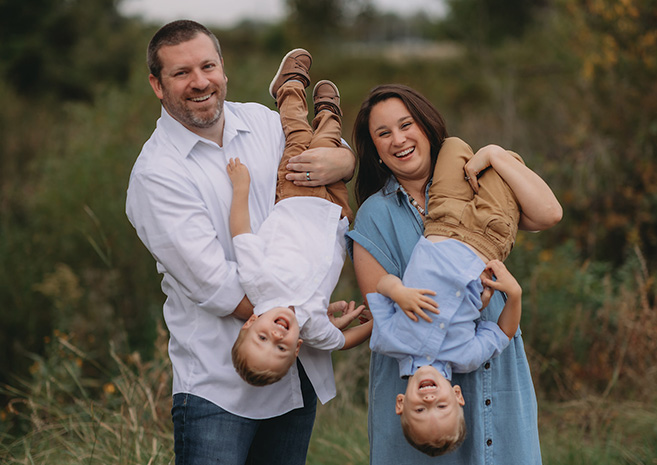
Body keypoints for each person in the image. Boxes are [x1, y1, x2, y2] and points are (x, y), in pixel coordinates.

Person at [125, 20, 357, 465]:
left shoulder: (262, 121)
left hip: (294, 375)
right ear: (157, 84)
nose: (200, 82)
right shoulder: (157, 175)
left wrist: (344, 161)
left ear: (223, 69)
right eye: (181, 73)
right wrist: (301, 316)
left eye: (208, 66)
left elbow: (322, 159)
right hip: (217, 391)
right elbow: (220, 288)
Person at [347, 84, 563, 464]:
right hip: (419, 398)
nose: (398, 139)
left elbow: (548, 214)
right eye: (383, 134)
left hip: (497, 372)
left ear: (426, 128)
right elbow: (379, 300)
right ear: (376, 150)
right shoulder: (374, 215)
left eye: (406, 125)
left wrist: (495, 155)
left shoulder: (470, 178)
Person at [366, 136, 527, 456]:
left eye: (421, 410)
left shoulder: (388, 340)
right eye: (442, 406)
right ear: (457, 395)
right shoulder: (466, 356)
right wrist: (515, 295)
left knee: (452, 145)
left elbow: (380, 286)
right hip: (489, 239)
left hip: (441, 221)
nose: (429, 402)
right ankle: (498, 155)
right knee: (508, 166)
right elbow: (503, 333)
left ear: (401, 403)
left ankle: (489, 155)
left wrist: (398, 292)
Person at [226, 49, 371, 386]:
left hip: (294, 196)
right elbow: (344, 341)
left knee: (298, 133)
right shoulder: (315, 328)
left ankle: (288, 87)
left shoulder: (259, 286)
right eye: (280, 347)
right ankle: (329, 111)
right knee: (329, 139)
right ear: (297, 350)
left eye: (263, 338)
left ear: (250, 325)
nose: (277, 334)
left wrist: (241, 187)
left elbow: (241, 233)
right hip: (335, 213)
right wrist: (379, 322)